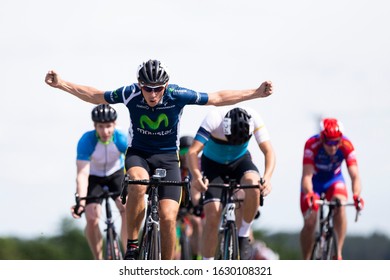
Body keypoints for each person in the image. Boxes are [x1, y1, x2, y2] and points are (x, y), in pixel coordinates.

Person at [45, 59, 273, 260]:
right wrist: (61, 83)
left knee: (167, 216)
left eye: (158, 89)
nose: (152, 94)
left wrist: (255, 92)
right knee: (137, 182)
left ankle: (166, 268)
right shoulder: (130, 93)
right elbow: (96, 96)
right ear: (139, 84)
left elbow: (217, 98)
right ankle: (133, 246)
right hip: (139, 155)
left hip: (168, 159)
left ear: (165, 86)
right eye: (147, 88)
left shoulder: (177, 95)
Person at [187, 106, 276, 260]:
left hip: (240, 161)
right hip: (213, 165)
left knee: (254, 184)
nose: (233, 144)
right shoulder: (214, 118)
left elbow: (269, 151)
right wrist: (196, 176)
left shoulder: (254, 118)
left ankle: (244, 233)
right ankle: (207, 263)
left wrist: (267, 177)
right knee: (213, 213)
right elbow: (192, 151)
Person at [300, 117, 365, 260]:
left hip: (334, 181)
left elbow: (355, 175)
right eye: (329, 142)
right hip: (314, 182)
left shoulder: (346, 145)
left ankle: (338, 254)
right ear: (322, 139)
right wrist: (309, 193)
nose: (333, 147)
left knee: (340, 205)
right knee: (310, 221)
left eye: (336, 142)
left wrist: (356, 195)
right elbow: (307, 176)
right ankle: (305, 260)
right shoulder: (312, 144)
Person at [71, 104, 128, 260]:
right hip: (93, 176)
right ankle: (99, 260)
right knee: (91, 216)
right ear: (94, 126)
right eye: (101, 127)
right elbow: (82, 173)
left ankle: (130, 255)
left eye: (109, 126)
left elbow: (133, 164)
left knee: (126, 208)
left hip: (116, 173)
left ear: (115, 124)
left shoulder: (122, 138)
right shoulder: (86, 140)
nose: (105, 132)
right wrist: (81, 201)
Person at [177, 136, 203, 260]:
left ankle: (196, 256)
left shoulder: (198, 166)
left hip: (192, 205)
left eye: (189, 152)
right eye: (183, 152)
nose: (186, 156)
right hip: (176, 205)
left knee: (197, 223)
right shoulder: (175, 166)